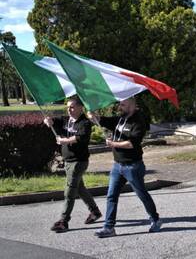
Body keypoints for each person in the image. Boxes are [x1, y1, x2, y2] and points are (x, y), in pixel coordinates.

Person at [91, 98, 161, 238]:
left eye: (123, 104)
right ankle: (109, 227)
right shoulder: (120, 119)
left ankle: (155, 219)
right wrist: (93, 115)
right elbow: (100, 120)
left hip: (133, 166)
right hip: (117, 166)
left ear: (131, 106)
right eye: (120, 104)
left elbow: (131, 143)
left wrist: (113, 144)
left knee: (142, 195)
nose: (119, 106)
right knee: (111, 196)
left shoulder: (138, 121)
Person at [43, 96, 101, 233]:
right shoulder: (65, 120)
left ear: (81, 108)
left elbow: (79, 138)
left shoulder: (85, 123)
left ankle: (64, 221)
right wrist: (48, 121)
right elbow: (52, 122)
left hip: (79, 162)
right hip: (68, 161)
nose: (69, 109)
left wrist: (65, 141)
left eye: (72, 107)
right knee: (80, 188)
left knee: (69, 191)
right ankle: (95, 211)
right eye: (68, 107)